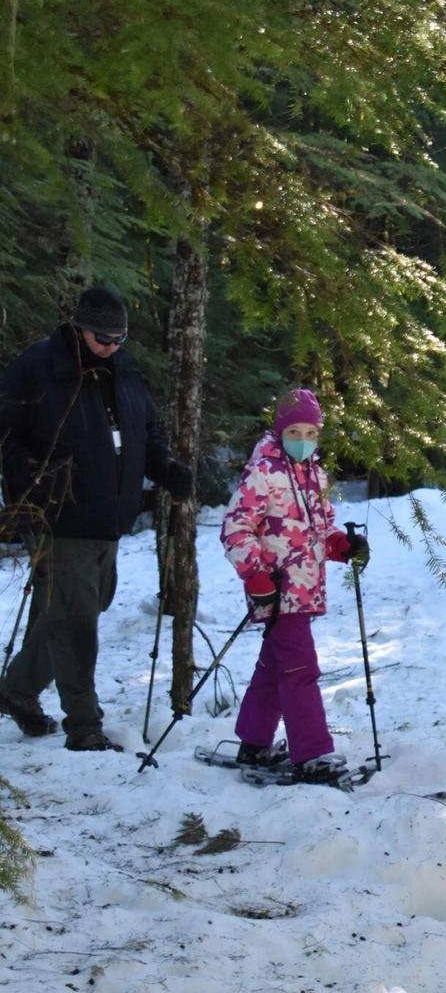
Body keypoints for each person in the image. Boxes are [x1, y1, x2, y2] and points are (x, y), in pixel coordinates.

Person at [0, 286, 193, 751]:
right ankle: (84, 724)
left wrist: (165, 468)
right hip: (58, 513)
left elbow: (145, 429)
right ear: (80, 328)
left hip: (108, 513)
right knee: (75, 617)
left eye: (119, 338)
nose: (110, 346)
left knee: (85, 604)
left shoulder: (123, 369)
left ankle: (16, 689)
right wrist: (31, 475)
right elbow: (5, 431)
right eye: (102, 338)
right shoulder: (41, 365)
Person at [221, 389, 368, 782]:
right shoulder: (263, 472)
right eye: (295, 432)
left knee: (275, 666)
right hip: (275, 588)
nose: (303, 440)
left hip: (305, 588)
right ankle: (312, 753)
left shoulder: (315, 475)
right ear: (280, 431)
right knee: (301, 668)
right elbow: (236, 528)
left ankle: (254, 742)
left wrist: (341, 545)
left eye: (311, 433)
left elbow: (321, 529)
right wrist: (254, 574)